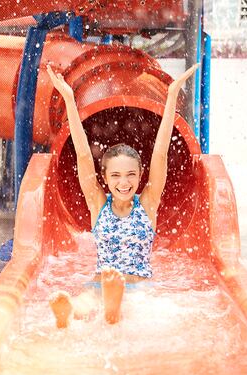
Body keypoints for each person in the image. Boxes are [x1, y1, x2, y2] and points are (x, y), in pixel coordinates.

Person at [46, 63, 199, 328]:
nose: (124, 182)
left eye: (130, 175)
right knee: (87, 300)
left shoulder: (148, 204)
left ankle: (110, 308)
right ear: (104, 179)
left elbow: (160, 154)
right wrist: (70, 99)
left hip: (137, 287)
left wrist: (171, 97)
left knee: (128, 306)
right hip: (99, 282)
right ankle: (70, 314)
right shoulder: (98, 204)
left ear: (141, 176)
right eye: (115, 176)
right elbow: (83, 154)